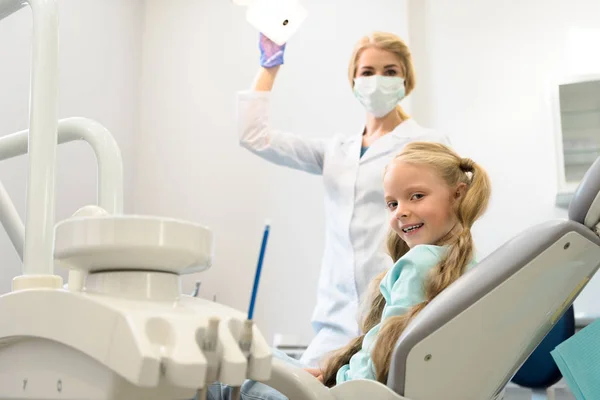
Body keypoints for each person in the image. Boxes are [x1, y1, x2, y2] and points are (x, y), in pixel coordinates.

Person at [206, 141, 492, 398]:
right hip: (349, 386)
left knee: (223, 372)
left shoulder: (419, 264)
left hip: (351, 394)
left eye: (416, 196)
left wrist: (333, 385)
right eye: (392, 203)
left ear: (458, 194)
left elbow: (383, 353)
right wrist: (332, 374)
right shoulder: (468, 266)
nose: (400, 212)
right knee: (263, 357)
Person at [237, 31, 451, 368]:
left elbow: (447, 228)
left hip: (398, 311)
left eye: (390, 71)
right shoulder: (336, 151)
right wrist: (270, 66)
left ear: (406, 79)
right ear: (353, 80)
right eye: (367, 72)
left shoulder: (427, 142)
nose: (377, 80)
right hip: (336, 320)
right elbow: (255, 136)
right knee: (276, 384)